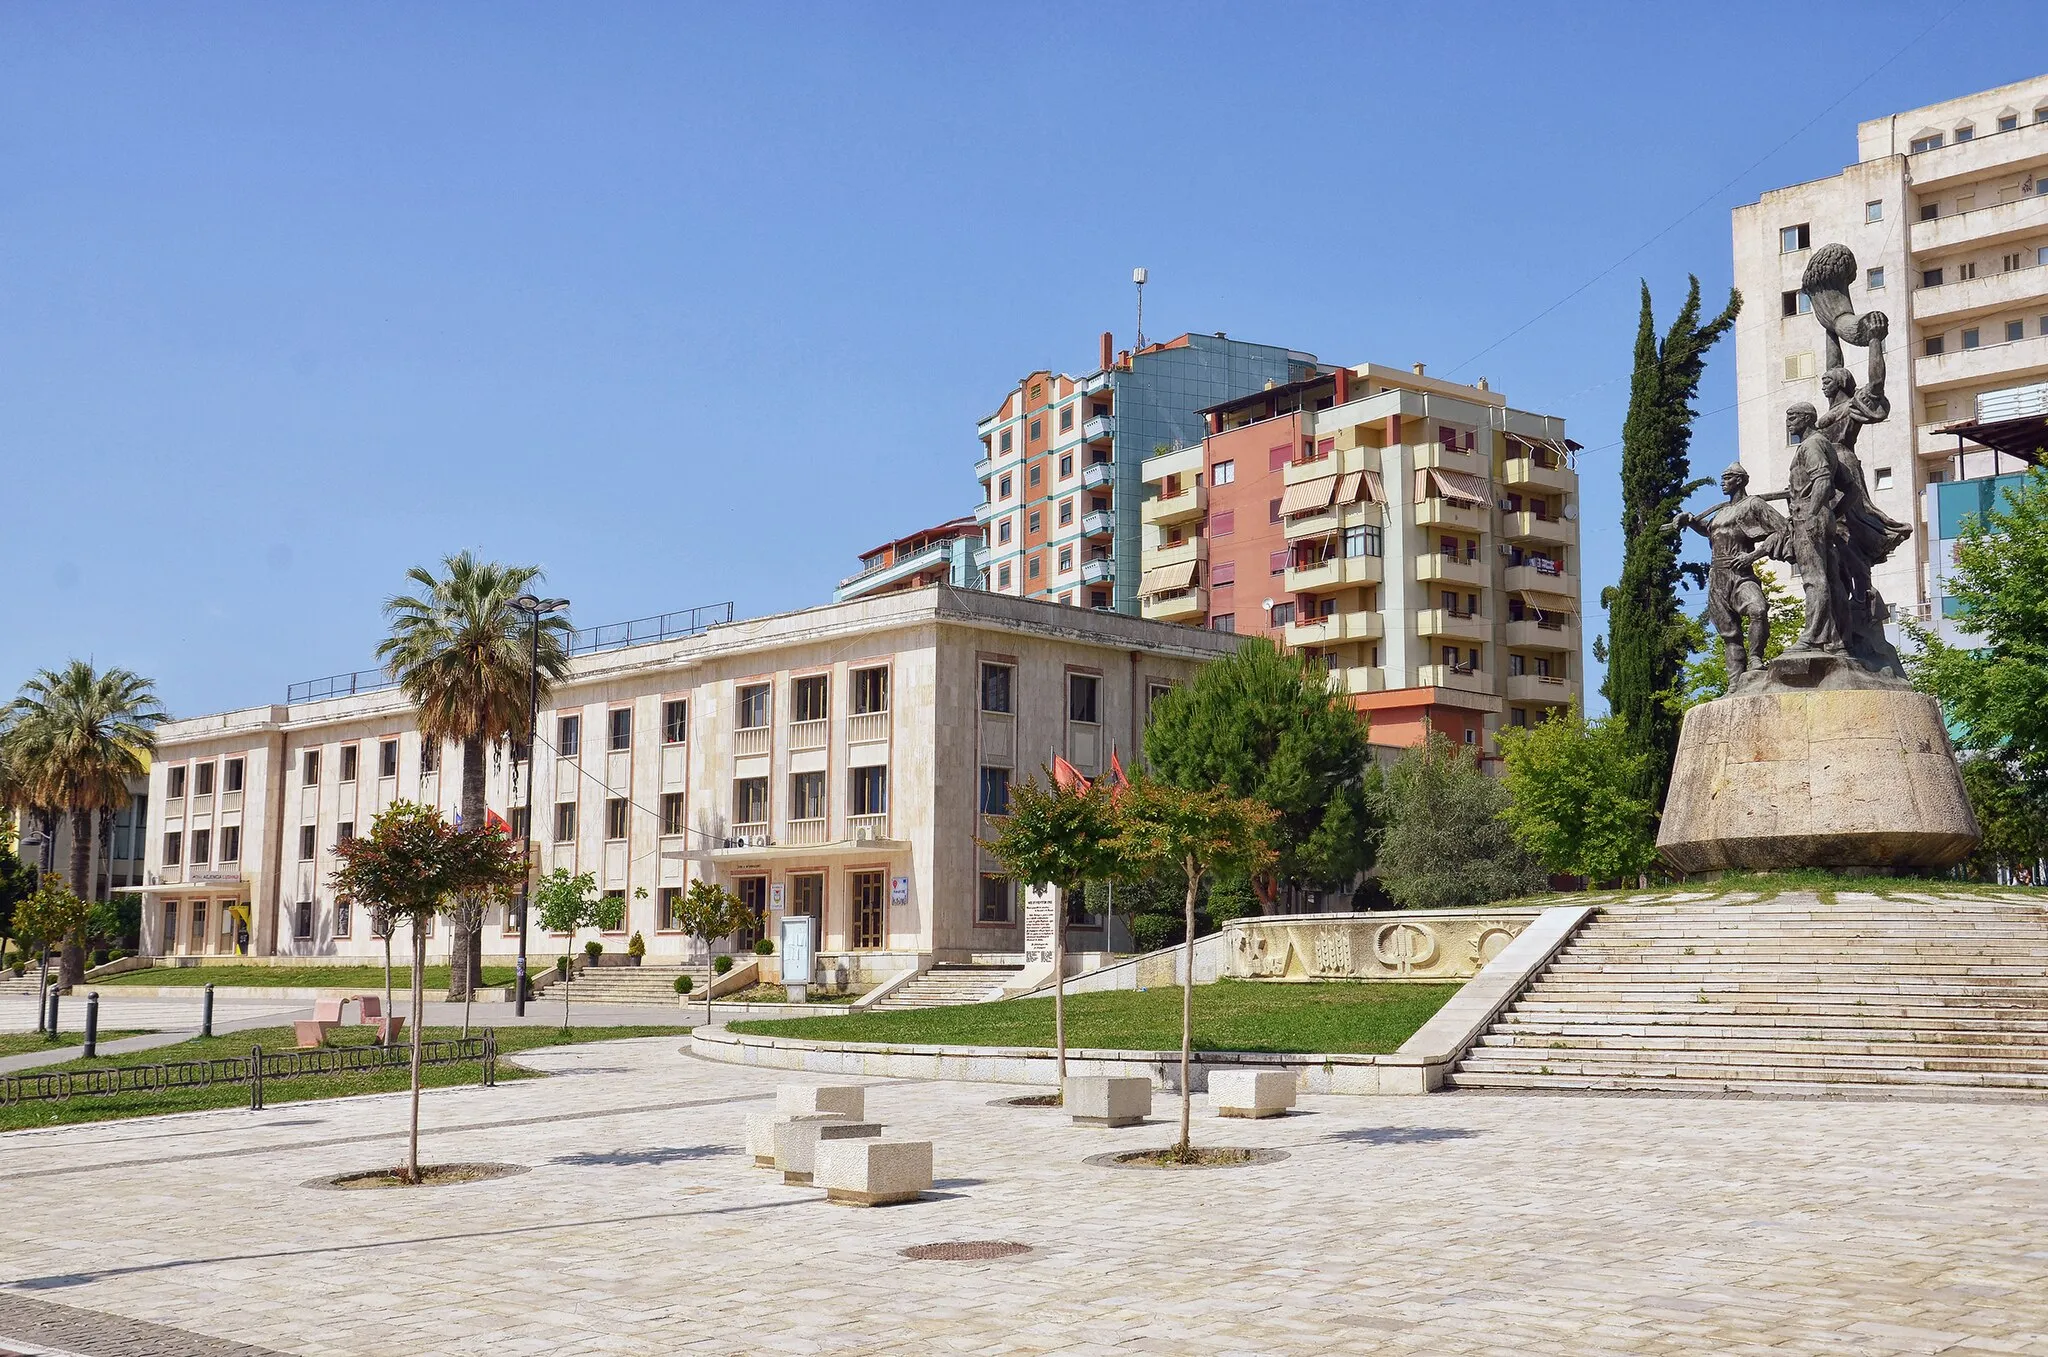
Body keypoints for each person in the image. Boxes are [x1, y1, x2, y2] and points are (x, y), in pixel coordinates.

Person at [1669, 464, 1790, 682]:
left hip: (1741, 571)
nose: (1722, 482)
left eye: (1728, 478)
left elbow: (1781, 530)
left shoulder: (1753, 504)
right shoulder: (1722, 511)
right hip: (1717, 575)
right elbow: (1710, 531)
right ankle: (1735, 683)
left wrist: (1753, 556)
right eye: (1723, 478)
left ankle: (1755, 658)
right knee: (1730, 634)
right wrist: (1690, 520)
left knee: (1758, 609)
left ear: (1741, 480)